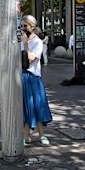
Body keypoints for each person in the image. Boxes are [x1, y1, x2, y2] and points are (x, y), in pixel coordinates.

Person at [20, 15, 52, 145]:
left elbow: (32, 58)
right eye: (21, 26)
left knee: (38, 105)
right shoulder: (20, 41)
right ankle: (26, 136)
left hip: (33, 76)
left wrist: (26, 44)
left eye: (25, 26)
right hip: (22, 76)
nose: (23, 29)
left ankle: (41, 135)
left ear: (32, 26)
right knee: (26, 107)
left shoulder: (37, 42)